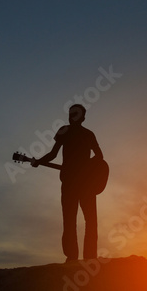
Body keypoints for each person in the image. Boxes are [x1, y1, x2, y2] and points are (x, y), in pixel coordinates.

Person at [32, 104, 103, 262]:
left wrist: (87, 169)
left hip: (85, 184)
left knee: (86, 220)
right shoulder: (66, 131)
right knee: (71, 219)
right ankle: (73, 257)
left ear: (83, 117)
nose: (73, 117)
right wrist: (38, 161)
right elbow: (52, 154)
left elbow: (99, 157)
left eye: (76, 114)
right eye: (71, 114)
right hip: (72, 183)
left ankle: (88, 257)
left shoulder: (87, 134)